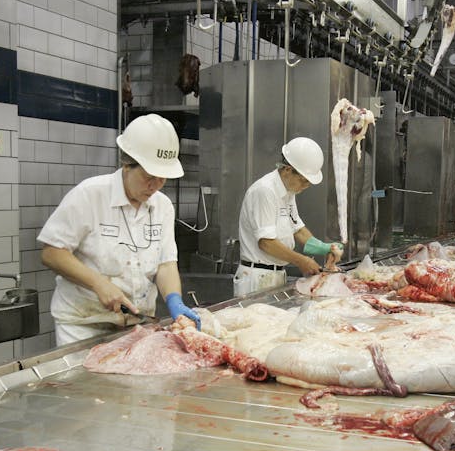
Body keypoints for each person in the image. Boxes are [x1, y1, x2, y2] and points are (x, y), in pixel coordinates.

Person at [38, 114, 201, 346]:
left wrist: (174, 300)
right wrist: (98, 283)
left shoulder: (162, 206)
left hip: (136, 326)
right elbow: (51, 252)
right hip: (83, 325)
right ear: (127, 164)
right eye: (149, 177)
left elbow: (166, 263)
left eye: (162, 178)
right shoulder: (89, 195)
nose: (155, 185)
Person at [233, 136, 342, 297]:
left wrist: (325, 248)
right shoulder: (265, 191)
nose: (305, 186)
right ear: (287, 170)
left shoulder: (289, 192)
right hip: (256, 278)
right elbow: (266, 243)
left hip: (275, 275)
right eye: (303, 181)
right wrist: (301, 261)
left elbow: (298, 229)